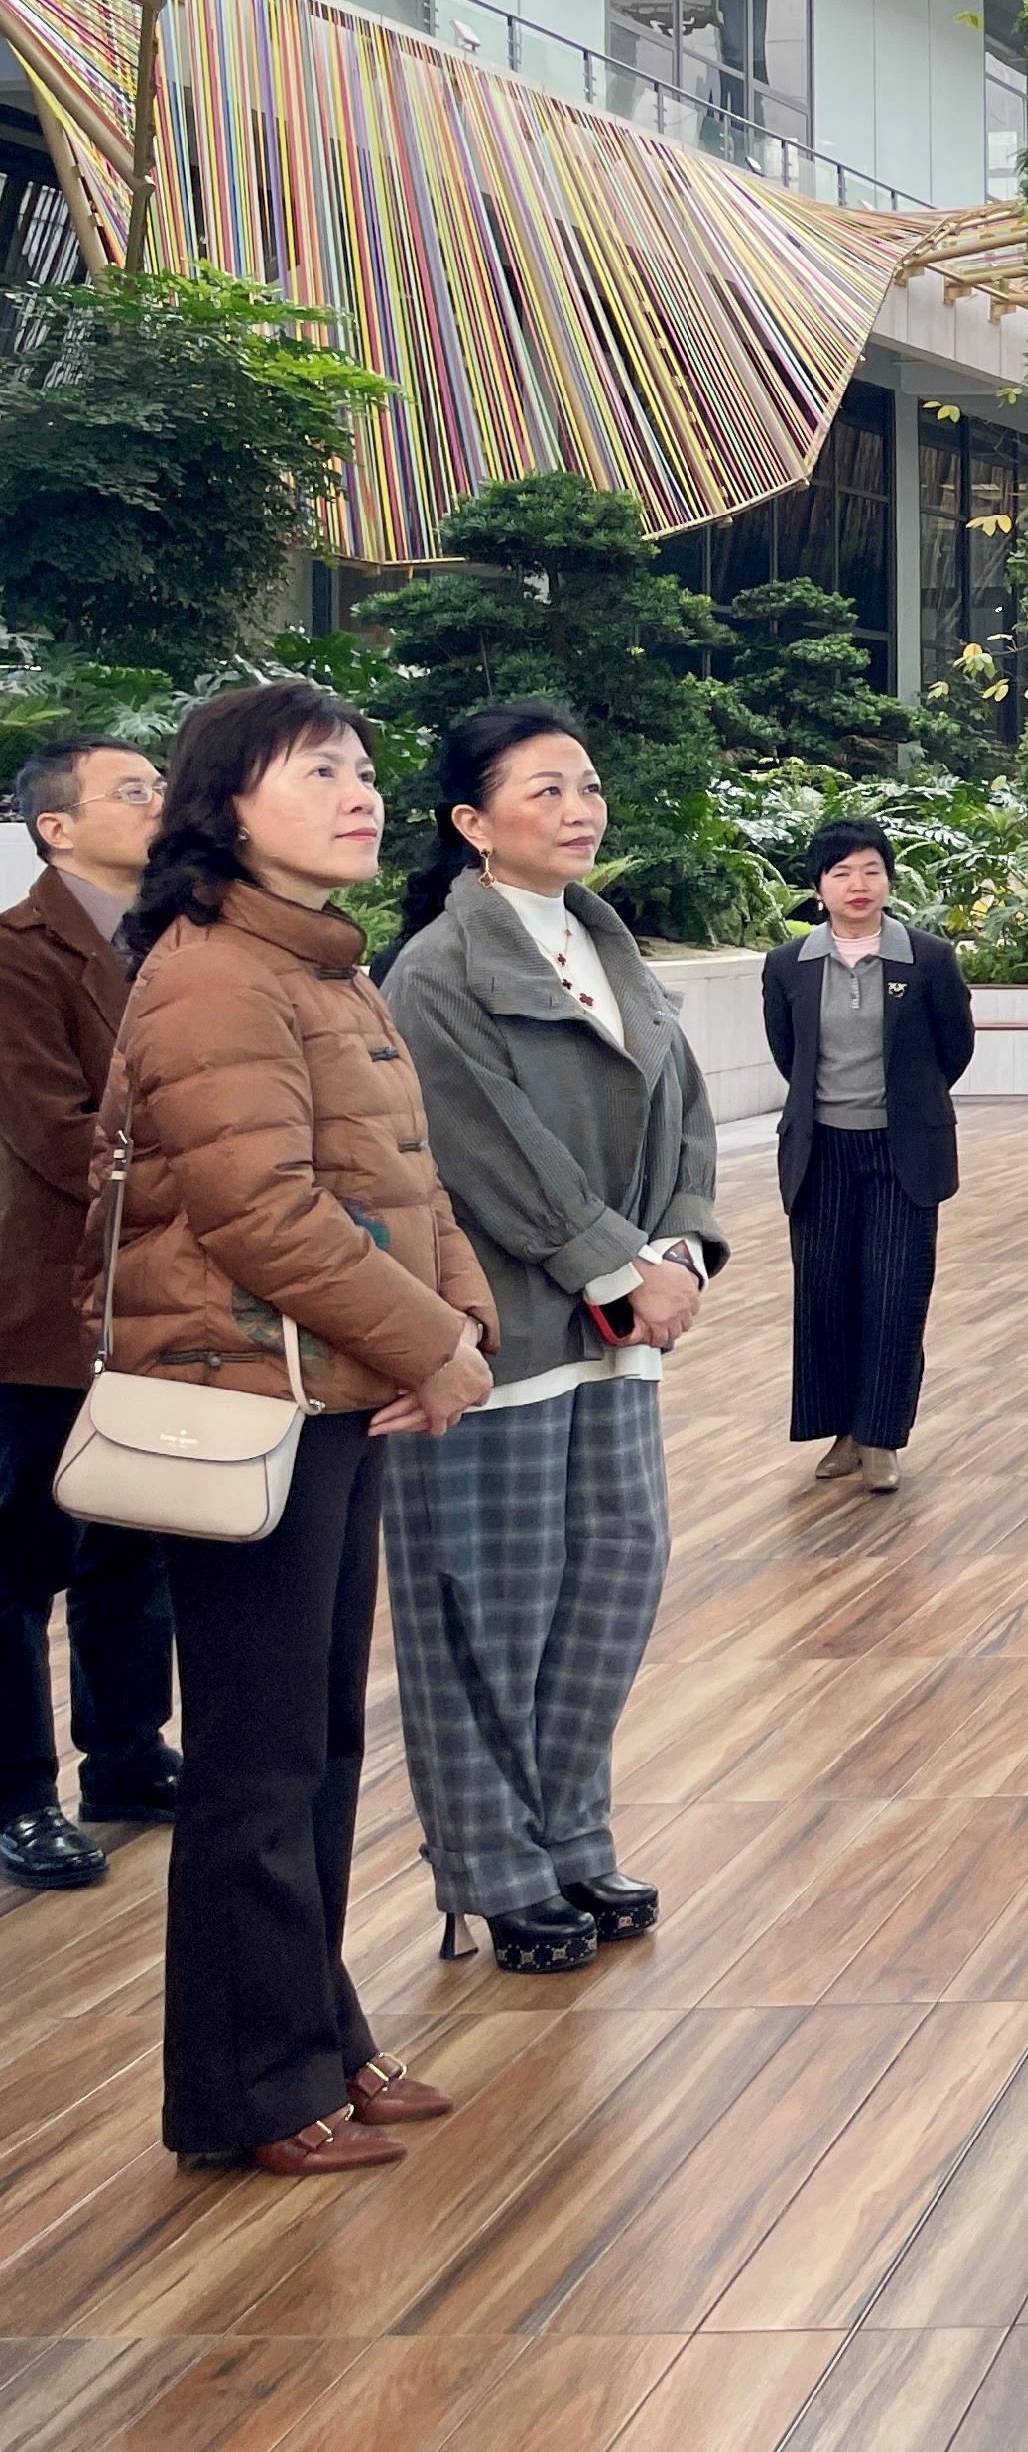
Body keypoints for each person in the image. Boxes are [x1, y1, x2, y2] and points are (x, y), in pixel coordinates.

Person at [105, 679, 496, 2171]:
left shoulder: (323, 967)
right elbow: (261, 1213)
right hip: (244, 1397)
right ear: (226, 805)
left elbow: (409, 1179)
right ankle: (247, 2090)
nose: (358, 792)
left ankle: (316, 2029)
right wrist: (431, 1344)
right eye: (318, 770)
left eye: (361, 768)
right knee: (258, 1765)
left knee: (320, 1744)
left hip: (331, 1387)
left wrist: (459, 1329)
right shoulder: (215, 975)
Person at [381, 703, 724, 1977]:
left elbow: (682, 1109)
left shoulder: (604, 940)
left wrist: (678, 1250)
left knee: (613, 1579)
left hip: (620, 1330)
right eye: (543, 792)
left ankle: (572, 1831)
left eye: (586, 786)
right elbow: (480, 1147)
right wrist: (614, 1265)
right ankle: (492, 1866)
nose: (579, 809)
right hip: (500, 1337)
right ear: (472, 825)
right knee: (488, 1605)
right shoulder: (434, 971)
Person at [0, 740, 182, 1889]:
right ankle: (20, 1795)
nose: (158, 804)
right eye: (133, 791)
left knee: (138, 1541)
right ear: (54, 828)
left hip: (151, 1295)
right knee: (21, 1561)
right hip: (44, 1306)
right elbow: (63, 1133)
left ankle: (126, 1752)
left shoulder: (176, 940)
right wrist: (208, 1182)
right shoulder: (16, 958)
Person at [762, 818, 973, 1496]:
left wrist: (909, 1102)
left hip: (901, 1149)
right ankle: (842, 1433)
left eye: (871, 870)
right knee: (825, 1295)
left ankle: (882, 1437)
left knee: (894, 1292)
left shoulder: (930, 959)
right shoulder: (788, 965)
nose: (858, 885)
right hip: (820, 1150)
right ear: (818, 888)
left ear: (888, 880)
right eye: (841, 873)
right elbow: (788, 1053)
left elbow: (953, 1049)